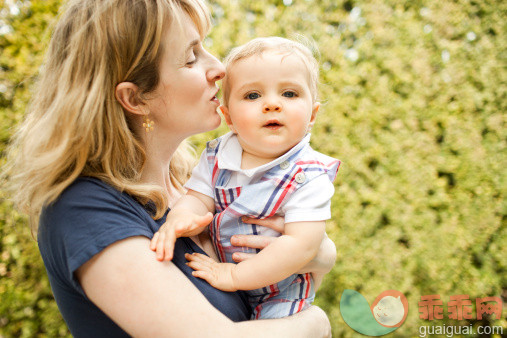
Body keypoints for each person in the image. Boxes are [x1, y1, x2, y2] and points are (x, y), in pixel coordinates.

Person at [5, 0, 336, 336]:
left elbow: (299, 265)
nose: (219, 68)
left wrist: (320, 252)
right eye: (191, 57)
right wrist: (317, 323)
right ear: (135, 98)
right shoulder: (84, 210)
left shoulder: (201, 183)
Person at [150, 37, 340, 319]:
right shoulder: (217, 156)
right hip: (229, 287)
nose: (272, 104)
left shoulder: (309, 175)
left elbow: (302, 246)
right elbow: (198, 199)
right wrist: (180, 217)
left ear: (312, 114)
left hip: (282, 295)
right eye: (253, 96)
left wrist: (236, 276)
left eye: (289, 94)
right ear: (228, 117)